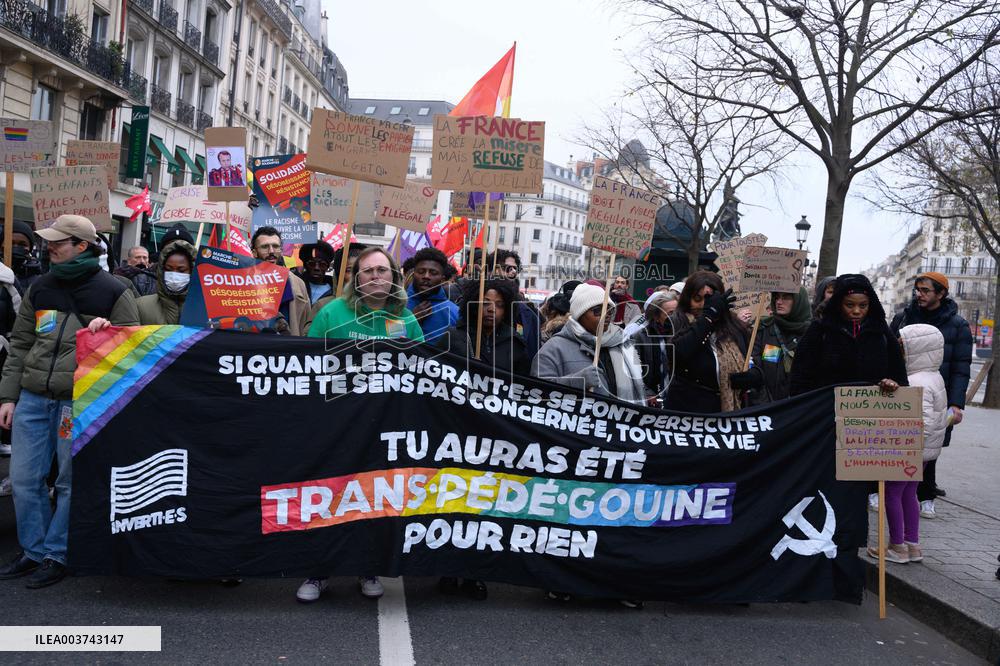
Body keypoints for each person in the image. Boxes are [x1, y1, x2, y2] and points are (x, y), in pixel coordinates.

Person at [0, 215, 139, 588]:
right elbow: (21, 346)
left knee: (67, 482)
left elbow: (130, 351)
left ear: (81, 246)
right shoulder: (40, 287)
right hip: (31, 397)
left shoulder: (114, 291)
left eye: (59, 242)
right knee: (24, 479)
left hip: (77, 403)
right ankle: (32, 550)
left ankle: (56, 554)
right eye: (50, 241)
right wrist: (8, 396)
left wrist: (108, 334)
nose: (50, 247)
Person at [299, 248, 421, 603]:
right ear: (356, 277)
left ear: (394, 277)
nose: (376, 277)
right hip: (335, 425)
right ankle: (318, 571)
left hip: (383, 429)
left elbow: (423, 373)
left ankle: (367, 568)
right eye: (367, 271)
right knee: (327, 496)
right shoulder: (331, 314)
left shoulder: (406, 319)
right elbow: (306, 366)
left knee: (372, 500)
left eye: (383, 270)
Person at [889, 272, 972, 518]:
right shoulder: (902, 318)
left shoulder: (958, 325)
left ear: (941, 293)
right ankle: (884, 490)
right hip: (902, 391)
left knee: (930, 446)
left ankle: (926, 495)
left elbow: (961, 366)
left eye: (925, 290)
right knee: (894, 445)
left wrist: (957, 403)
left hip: (938, 394)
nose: (919, 294)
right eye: (918, 289)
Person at [869, 324, 948, 563]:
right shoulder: (934, 376)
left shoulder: (914, 381)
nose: (899, 351)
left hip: (910, 448)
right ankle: (912, 544)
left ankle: (897, 545)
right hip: (925, 451)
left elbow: (920, 420)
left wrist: (907, 447)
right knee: (909, 493)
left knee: (892, 493)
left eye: (902, 346)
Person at [789, 274, 907, 397]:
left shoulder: (882, 332)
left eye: (863, 306)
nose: (856, 311)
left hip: (872, 410)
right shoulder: (819, 330)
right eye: (849, 305)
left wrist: (892, 383)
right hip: (826, 410)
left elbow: (900, 378)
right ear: (839, 303)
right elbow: (800, 379)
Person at [532, 283, 645, 404]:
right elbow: (536, 393)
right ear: (580, 315)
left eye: (609, 309)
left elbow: (639, 382)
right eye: (597, 310)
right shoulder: (554, 349)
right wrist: (575, 382)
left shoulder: (622, 342)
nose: (605, 314)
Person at [663, 271, 754, 413]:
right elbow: (678, 353)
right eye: (697, 299)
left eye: (709, 299)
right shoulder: (676, 321)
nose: (703, 305)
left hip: (728, 413)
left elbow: (754, 359)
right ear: (688, 299)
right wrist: (708, 317)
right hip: (689, 412)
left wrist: (753, 376)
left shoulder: (735, 326)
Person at [443, 278, 530, 376]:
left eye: (499, 305)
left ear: (506, 311)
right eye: (485, 303)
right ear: (474, 306)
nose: (491, 309)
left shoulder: (515, 343)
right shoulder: (453, 337)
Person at [746, 287, 812, 403]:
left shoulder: (813, 333)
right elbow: (756, 367)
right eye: (777, 297)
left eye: (786, 297)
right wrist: (766, 405)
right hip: (767, 409)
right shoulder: (763, 329)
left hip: (800, 408)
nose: (779, 302)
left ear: (799, 301)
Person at [251, 226, 310, 336]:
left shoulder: (298, 284)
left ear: (281, 250)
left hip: (289, 350)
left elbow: (306, 325)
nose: (271, 251)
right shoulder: (242, 281)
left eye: (275, 246)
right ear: (254, 252)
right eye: (265, 247)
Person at [493, 249, 541, 360]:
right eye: (507, 268)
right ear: (492, 271)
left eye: (516, 269)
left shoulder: (529, 315)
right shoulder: (475, 307)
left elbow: (533, 357)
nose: (513, 272)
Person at [136, 238, 196, 325]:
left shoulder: (207, 309)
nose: (174, 275)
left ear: (192, 271)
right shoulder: (140, 306)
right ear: (161, 270)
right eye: (168, 269)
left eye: (181, 270)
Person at [632, 290, 677, 406]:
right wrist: (647, 393)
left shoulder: (684, 335)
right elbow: (634, 371)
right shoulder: (640, 337)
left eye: (678, 312)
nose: (675, 317)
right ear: (657, 317)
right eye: (671, 313)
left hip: (677, 400)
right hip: (651, 402)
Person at [407, 247, 459, 344]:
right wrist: (411, 320)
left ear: (442, 279)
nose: (426, 276)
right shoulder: (395, 305)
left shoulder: (455, 313)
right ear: (414, 274)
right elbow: (386, 337)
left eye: (433, 273)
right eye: (421, 271)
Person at [2, 221, 44, 292]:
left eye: (22, 245)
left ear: (30, 248)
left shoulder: (39, 283)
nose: (16, 247)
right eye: (11, 243)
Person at [294, 241, 335, 305]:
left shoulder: (337, 291)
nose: (316, 268)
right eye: (311, 264)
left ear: (327, 267)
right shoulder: (295, 286)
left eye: (322, 264)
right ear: (305, 265)